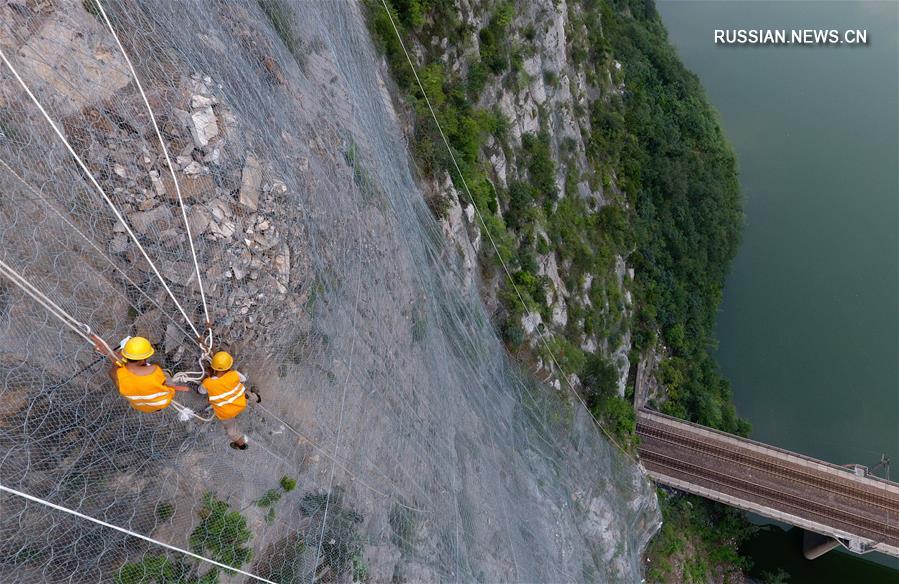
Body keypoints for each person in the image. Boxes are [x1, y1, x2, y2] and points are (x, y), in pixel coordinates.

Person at [107, 336, 189, 412]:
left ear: (126, 356)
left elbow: (112, 371)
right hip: (163, 402)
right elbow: (162, 382)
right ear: (143, 360)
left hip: (141, 406)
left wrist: (121, 357)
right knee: (165, 373)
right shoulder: (154, 369)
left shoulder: (117, 374)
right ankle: (168, 371)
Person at [200, 351, 260, 450]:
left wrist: (209, 377)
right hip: (240, 403)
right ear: (229, 366)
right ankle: (257, 397)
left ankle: (241, 445)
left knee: (232, 430)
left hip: (226, 413)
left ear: (213, 367)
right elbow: (243, 379)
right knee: (248, 395)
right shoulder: (234, 374)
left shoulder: (208, 383)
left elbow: (201, 391)